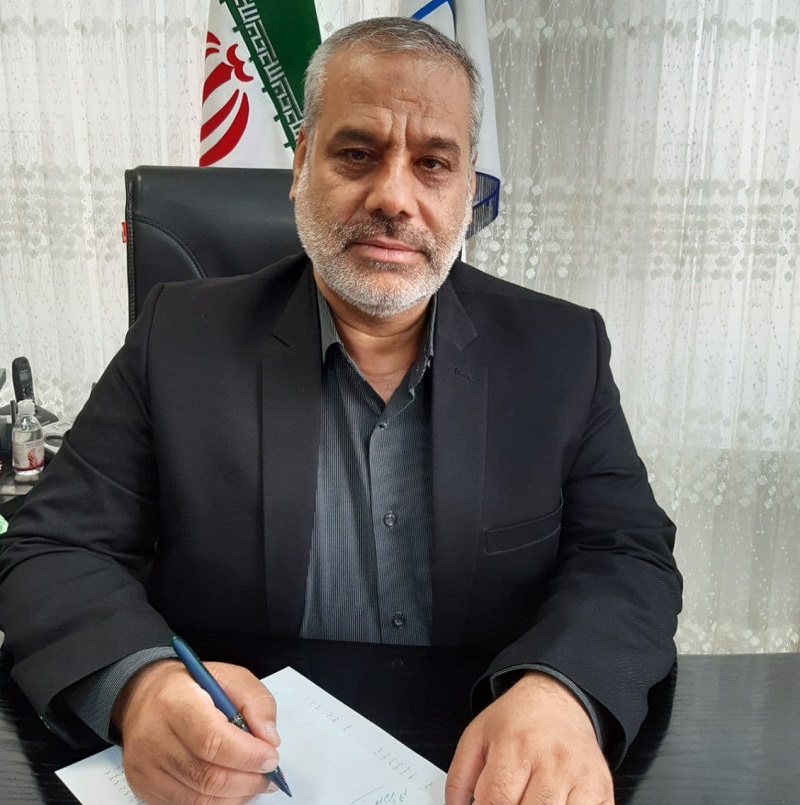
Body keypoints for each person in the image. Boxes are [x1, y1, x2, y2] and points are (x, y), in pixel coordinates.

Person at [0, 17, 681, 805]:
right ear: (301, 166)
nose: (393, 196)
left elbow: (627, 554)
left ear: (468, 189)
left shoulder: (561, 350)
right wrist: (141, 686)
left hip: (478, 770)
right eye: (357, 153)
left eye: (434, 163)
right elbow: (51, 547)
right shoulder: (177, 339)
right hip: (243, 770)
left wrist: (563, 690)